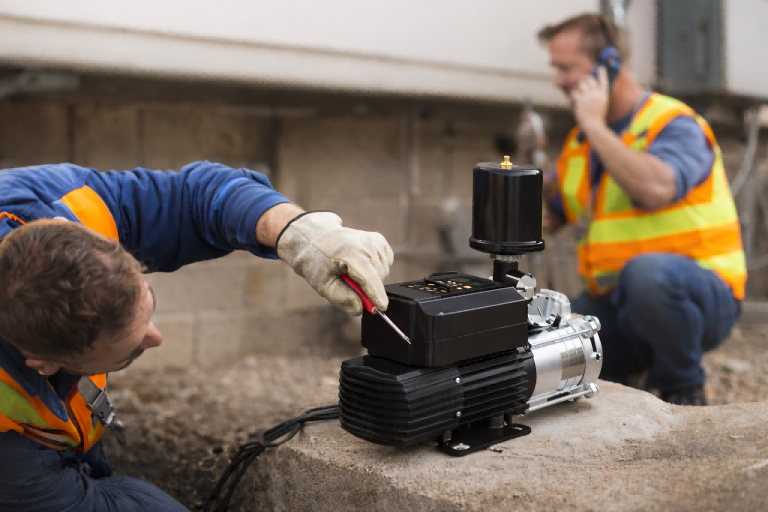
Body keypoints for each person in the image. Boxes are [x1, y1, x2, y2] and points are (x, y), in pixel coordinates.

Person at [0, 161, 393, 511]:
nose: (156, 338)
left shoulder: (67, 206)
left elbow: (193, 195)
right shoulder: (10, 449)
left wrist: (296, 231)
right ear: (43, 362)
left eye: (147, 303)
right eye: (126, 353)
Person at [524, 14, 746, 406]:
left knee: (649, 275)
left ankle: (683, 390)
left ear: (608, 64)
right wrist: (518, 189)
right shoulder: (579, 145)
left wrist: (595, 127)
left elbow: (656, 189)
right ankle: (620, 385)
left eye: (566, 68)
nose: (558, 80)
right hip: (618, 303)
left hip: (699, 297)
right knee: (561, 329)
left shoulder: (672, 123)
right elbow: (549, 220)